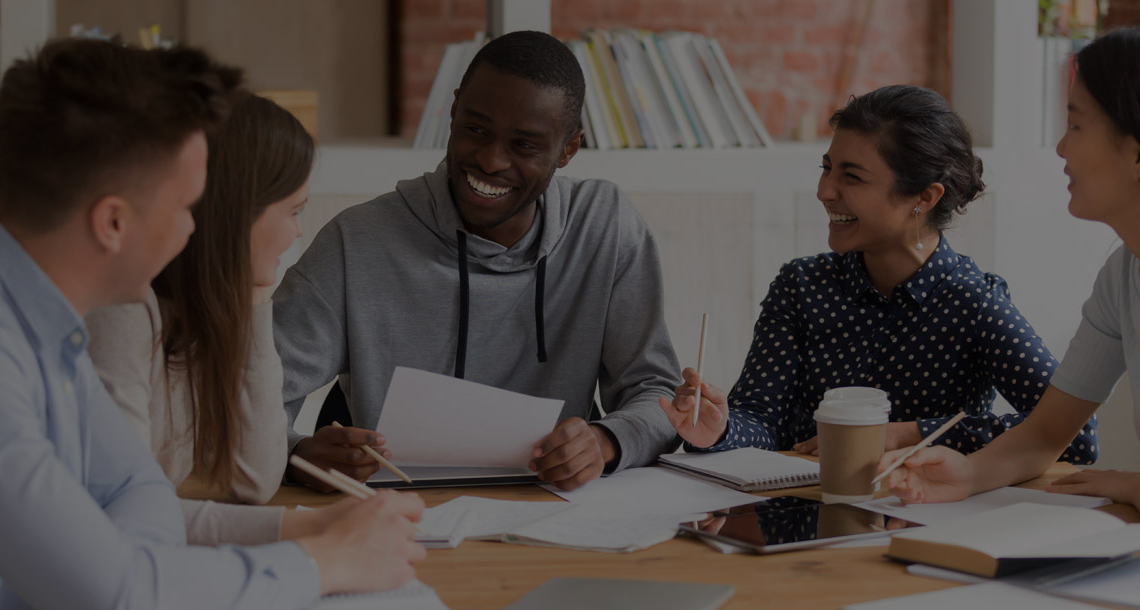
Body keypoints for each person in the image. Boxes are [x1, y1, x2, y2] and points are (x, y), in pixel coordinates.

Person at [0, 39, 423, 609]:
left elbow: (132, 490)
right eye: (187, 205)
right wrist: (328, 560)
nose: (198, 231)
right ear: (113, 223)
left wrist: (299, 531)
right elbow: (117, 591)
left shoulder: (37, 311)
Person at [275, 30, 682, 491]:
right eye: (476, 130)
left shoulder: (606, 229)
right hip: (397, 515)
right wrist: (295, 454)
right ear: (452, 113)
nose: (490, 161)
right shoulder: (356, 242)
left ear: (568, 149)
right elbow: (246, 400)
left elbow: (660, 395)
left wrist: (605, 439)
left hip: (552, 516)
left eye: (524, 145)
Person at [659, 85, 1097, 465]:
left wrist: (914, 433)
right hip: (798, 523)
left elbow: (1075, 434)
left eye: (852, 177)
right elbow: (761, 420)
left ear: (924, 197)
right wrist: (718, 430)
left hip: (923, 523)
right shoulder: (800, 286)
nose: (824, 191)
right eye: (827, 168)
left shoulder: (973, 302)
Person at [880, 28, 1140, 508]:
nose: (1061, 148)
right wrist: (968, 472)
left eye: (1077, 126)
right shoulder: (1122, 275)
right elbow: (1045, 434)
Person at [86, 90, 346, 546]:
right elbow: (121, 510)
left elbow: (255, 480)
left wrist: (256, 301)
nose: (299, 230)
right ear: (236, 213)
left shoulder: (204, 311)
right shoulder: (123, 310)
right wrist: (302, 530)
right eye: (294, 210)